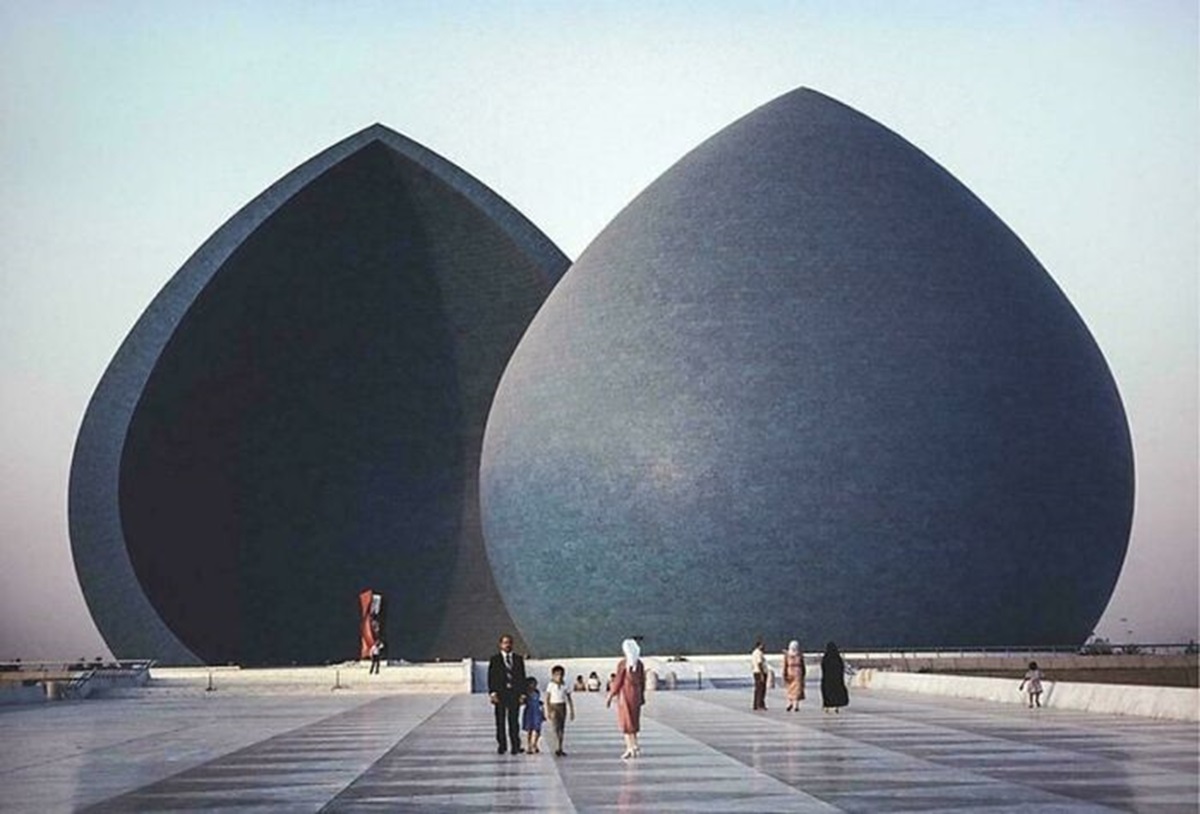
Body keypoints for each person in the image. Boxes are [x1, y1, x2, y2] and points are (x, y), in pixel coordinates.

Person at [606, 638, 646, 759]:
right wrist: (642, 696)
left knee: (625, 722)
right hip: (636, 695)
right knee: (633, 720)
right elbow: (642, 681)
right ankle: (634, 745)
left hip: (625, 695)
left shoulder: (623, 664)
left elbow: (618, 681)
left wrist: (610, 695)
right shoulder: (639, 664)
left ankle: (629, 747)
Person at [487, 633, 527, 754]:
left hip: (514, 694)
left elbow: (522, 677)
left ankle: (515, 745)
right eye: (505, 643)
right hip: (500, 694)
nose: (507, 645)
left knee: (513, 721)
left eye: (509, 642)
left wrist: (523, 694)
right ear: (500, 645)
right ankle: (502, 744)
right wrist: (493, 693)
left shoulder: (518, 659)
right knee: (500, 721)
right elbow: (491, 677)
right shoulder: (495, 660)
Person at [544, 664, 576, 756]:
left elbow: (569, 698)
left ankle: (560, 747)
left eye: (561, 674)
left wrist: (572, 711)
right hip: (553, 706)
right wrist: (549, 710)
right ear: (553, 675)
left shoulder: (565, 685)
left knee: (561, 728)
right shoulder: (550, 685)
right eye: (557, 674)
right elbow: (547, 698)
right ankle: (556, 746)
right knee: (555, 727)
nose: (559, 676)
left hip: (562, 706)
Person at [820, 641, 849, 713]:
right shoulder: (838, 658)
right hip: (836, 679)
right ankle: (836, 705)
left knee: (827, 692)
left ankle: (827, 706)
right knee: (836, 692)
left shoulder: (826, 658)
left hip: (827, 679)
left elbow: (823, 667)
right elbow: (841, 668)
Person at [522, 676, 544, 753]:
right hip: (529, 712)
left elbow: (538, 701)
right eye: (532, 684)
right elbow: (524, 702)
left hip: (537, 712)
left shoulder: (537, 692)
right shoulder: (526, 693)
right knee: (530, 730)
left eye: (535, 683)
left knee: (538, 730)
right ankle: (529, 746)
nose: (534, 685)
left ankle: (535, 743)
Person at [783, 640, 806, 711]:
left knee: (790, 688)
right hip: (798, 672)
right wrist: (804, 673)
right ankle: (796, 705)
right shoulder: (799, 655)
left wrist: (784, 673)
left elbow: (785, 665)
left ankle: (790, 703)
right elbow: (802, 665)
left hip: (790, 671)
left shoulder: (787, 655)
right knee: (797, 689)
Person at [751, 639, 769, 710]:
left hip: (756, 672)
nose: (764, 646)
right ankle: (760, 704)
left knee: (758, 689)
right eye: (763, 645)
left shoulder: (754, 653)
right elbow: (759, 663)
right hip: (759, 672)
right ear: (759, 645)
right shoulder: (758, 653)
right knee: (761, 689)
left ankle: (756, 704)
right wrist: (762, 674)